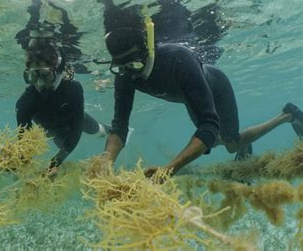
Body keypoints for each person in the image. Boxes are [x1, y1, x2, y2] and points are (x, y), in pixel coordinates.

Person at [101, 26, 303, 177]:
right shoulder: (126, 74)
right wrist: (104, 167)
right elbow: (119, 128)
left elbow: (208, 126)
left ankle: (287, 116)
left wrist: (169, 170)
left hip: (217, 90)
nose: (130, 72)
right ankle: (243, 145)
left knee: (229, 142)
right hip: (189, 99)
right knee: (214, 140)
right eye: (121, 66)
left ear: (148, 50)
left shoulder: (178, 59)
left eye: (134, 64)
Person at [16, 38, 111, 177]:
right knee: (61, 143)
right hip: (53, 131)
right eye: (33, 76)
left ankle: (112, 131)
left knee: (96, 130)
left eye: (45, 75)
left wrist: (55, 163)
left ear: (58, 71)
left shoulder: (73, 89)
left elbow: (76, 130)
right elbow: (24, 141)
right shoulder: (24, 102)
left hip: (74, 121)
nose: (39, 83)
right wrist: (10, 158)